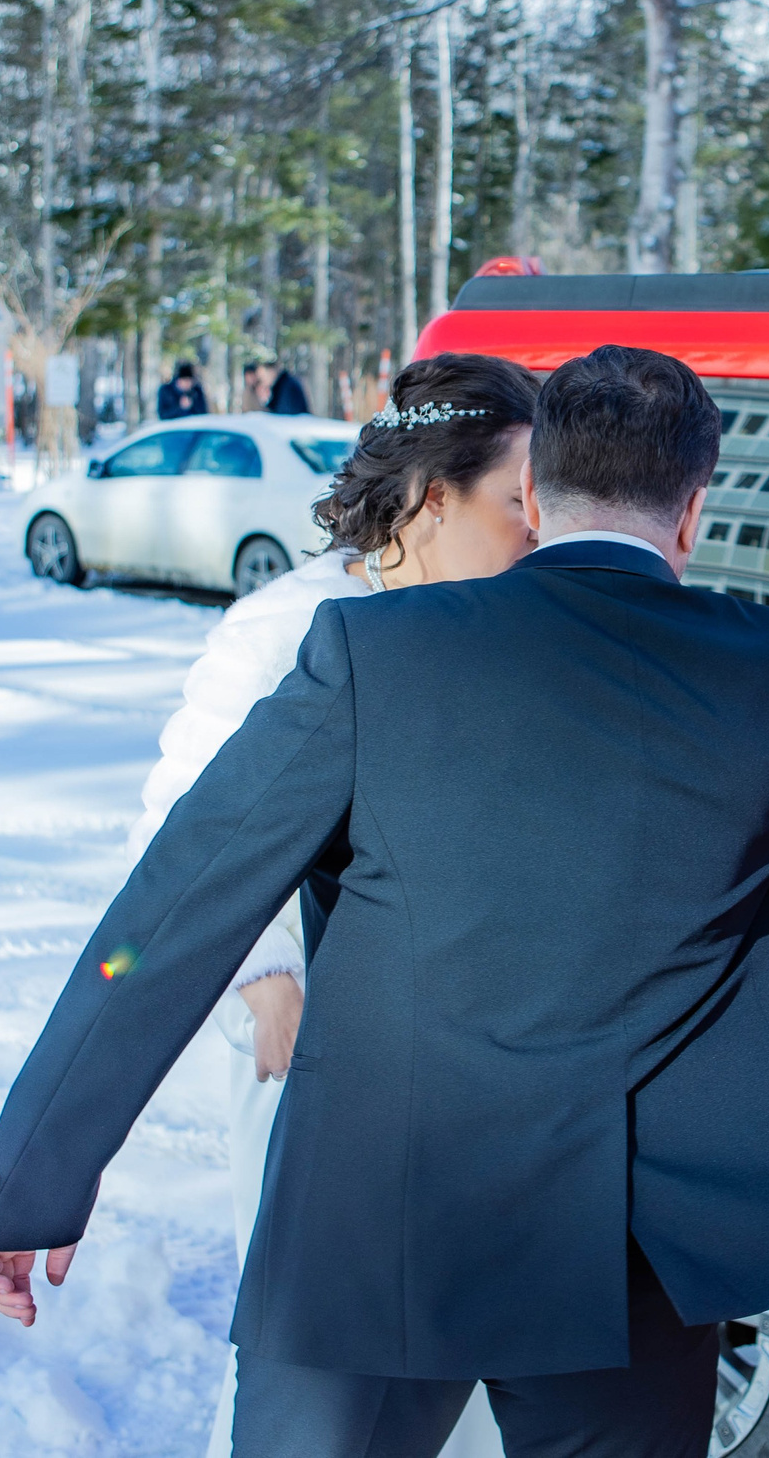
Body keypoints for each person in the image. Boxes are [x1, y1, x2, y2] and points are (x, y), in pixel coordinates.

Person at [0, 344, 769, 1458]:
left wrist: (31, 1182)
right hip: (626, 1249)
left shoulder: (375, 655)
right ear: (694, 508)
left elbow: (172, 914)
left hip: (378, 1217)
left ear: (535, 494)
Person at [123, 353, 539, 1458]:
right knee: (318, 1368)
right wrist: (266, 980)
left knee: (464, 1362)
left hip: (469, 1061)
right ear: (434, 498)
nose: (536, 529)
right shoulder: (287, 629)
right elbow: (185, 828)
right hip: (312, 1049)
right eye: (517, 501)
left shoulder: (500, 621)